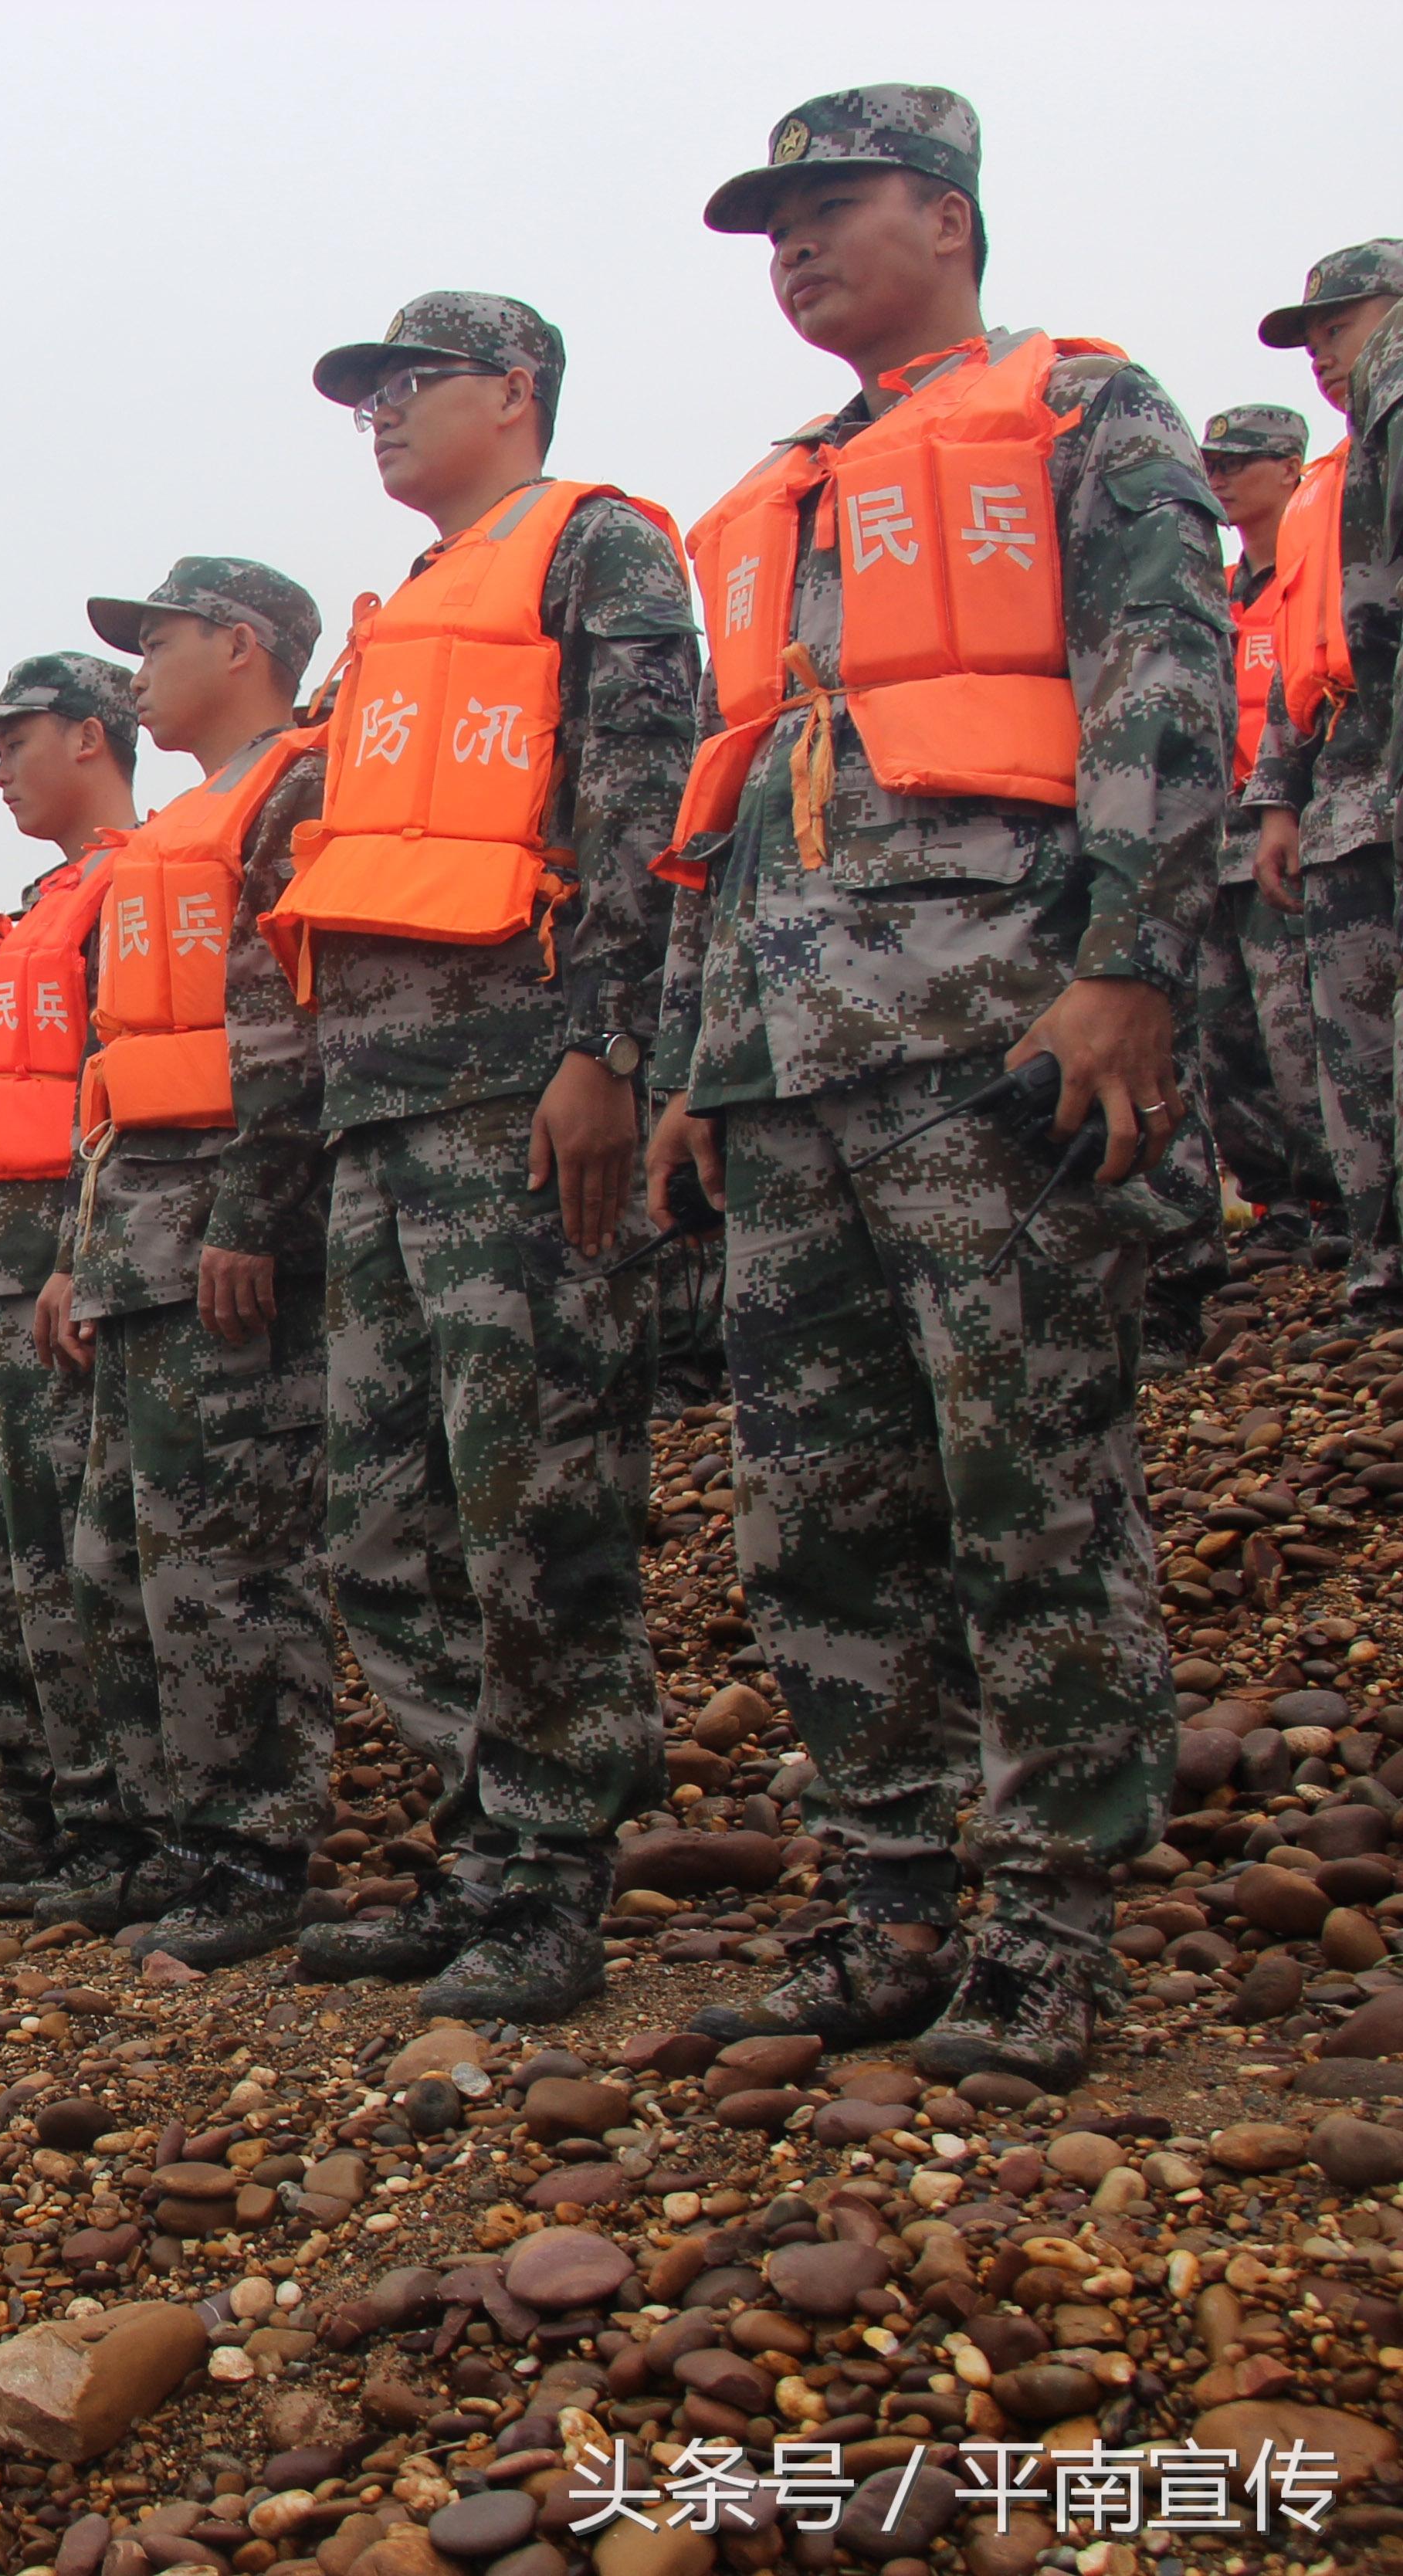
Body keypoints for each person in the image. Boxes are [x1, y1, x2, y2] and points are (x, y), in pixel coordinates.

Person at [650, 88, 1223, 2083]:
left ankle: (1055, 1929)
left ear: (951, 216)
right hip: (788, 1075)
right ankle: (887, 1908)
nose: (795, 249)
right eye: (774, 225)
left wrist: (1130, 967)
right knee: (818, 1519)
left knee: (1030, 1495)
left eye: (832, 209)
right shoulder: (784, 489)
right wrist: (689, 1068)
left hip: (994, 1042)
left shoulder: (1083, 408)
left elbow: (1165, 682)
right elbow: (723, 811)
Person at [265, 286, 695, 2021]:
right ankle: (490, 1837)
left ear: (513, 393)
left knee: (535, 1503)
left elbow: (641, 812)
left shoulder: (596, 556)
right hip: (380, 1113)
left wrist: (608, 1047)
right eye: (362, 390)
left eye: (408, 382)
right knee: (380, 1527)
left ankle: (552, 1869)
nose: (377, 411)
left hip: (523, 1094)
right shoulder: (398, 620)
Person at [39, 561, 339, 1960]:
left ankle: (255, 1851)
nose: (136, 666)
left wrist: (249, 1214)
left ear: (240, 644)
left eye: (154, 639)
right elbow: (118, 1068)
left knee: (226, 1558)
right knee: (118, 1558)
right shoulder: (174, 830)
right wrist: (76, 1254)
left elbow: (289, 1020)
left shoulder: (297, 785)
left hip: (223, 1232)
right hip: (132, 1242)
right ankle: (177, 1832)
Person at [0, 652, 147, 1911]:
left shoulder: (131, 890)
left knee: (70, 1567)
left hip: (63, 1274)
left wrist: (78, 1259)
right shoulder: (26, 920)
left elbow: (126, 1092)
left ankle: (111, 1825)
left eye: (18, 740)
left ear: (94, 740)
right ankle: (34, 1812)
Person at [1245, 241, 1403, 1327]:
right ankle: (1382, 1262)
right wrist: (1279, 801)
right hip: (1348, 782)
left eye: (1340, 328)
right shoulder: (1320, 497)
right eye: (1313, 340)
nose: (1323, 356)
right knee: (1354, 1042)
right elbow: (1295, 664)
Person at [1194, 402, 1339, 1256]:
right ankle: (1278, 1204)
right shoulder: (1213, 592)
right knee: (1226, 1037)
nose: (1220, 478)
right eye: (1212, 462)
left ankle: (1339, 1204)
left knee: (1301, 1031)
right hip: (1215, 842)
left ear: (1291, 465)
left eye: (1239, 461)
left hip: (1299, 828)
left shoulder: (1321, 572)